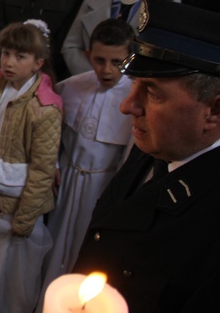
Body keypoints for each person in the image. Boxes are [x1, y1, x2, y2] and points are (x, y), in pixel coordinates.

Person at [73, 0, 220, 312]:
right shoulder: (166, 141)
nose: (128, 106)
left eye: (152, 92)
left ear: (215, 110)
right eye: (134, 85)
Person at [0, 20, 62, 313]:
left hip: (16, 196)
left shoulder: (44, 107)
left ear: (37, 63)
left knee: (12, 257)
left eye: (20, 56)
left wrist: (26, 216)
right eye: (6, 53)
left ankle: (4, 306)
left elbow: (43, 169)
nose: (8, 62)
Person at [41, 19, 134, 294]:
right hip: (67, 181)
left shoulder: (135, 96)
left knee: (88, 247)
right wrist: (55, 164)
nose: (107, 70)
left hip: (101, 185)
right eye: (99, 60)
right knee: (54, 242)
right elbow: (51, 134)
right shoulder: (70, 87)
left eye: (117, 62)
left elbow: (129, 155)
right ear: (87, 55)